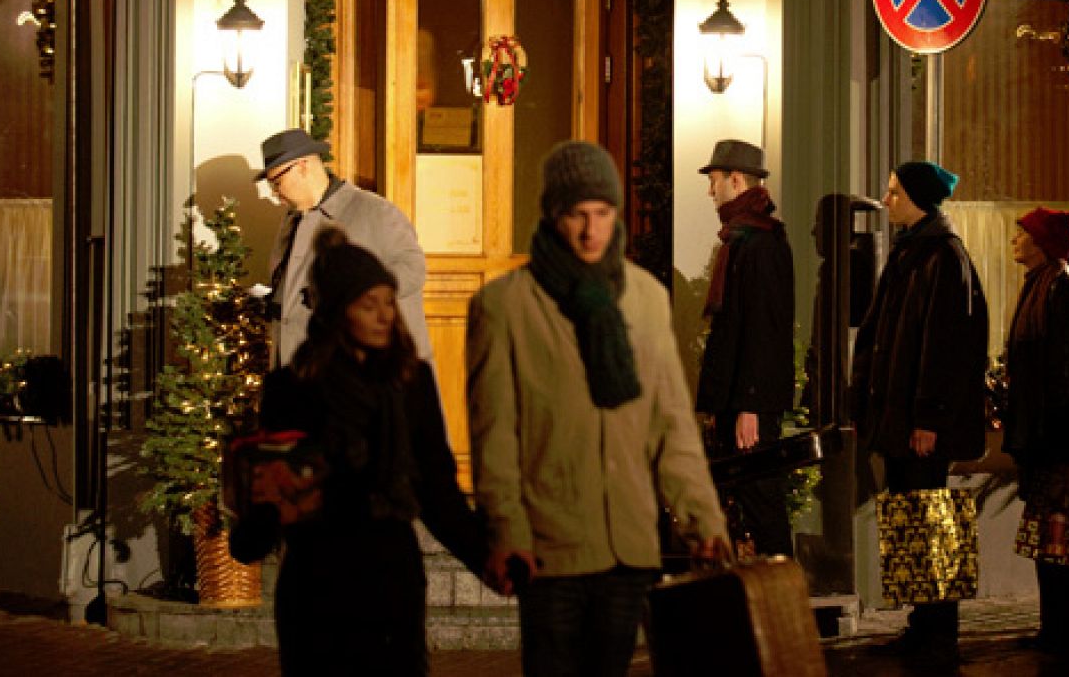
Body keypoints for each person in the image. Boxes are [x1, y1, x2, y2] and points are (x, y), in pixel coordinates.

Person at [467, 141, 728, 677]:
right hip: (550, 546)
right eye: (577, 215)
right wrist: (508, 531)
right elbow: (496, 435)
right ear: (553, 215)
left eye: (603, 214)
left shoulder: (647, 299)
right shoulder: (505, 306)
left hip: (628, 543)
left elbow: (671, 423)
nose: (592, 231)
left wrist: (704, 519)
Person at [229, 227, 486, 676]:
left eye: (389, 302)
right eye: (369, 305)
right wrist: (255, 528)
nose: (385, 315)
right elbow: (276, 482)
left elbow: (436, 487)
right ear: (336, 312)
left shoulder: (411, 383)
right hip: (318, 577)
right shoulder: (294, 388)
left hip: (389, 575)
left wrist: (485, 556)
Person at [849, 160, 989, 666]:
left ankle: (939, 630)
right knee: (910, 517)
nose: (886, 201)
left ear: (917, 199)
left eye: (893, 193)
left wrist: (928, 418)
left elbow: (944, 345)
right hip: (900, 418)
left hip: (920, 422)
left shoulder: (942, 257)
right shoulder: (912, 253)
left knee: (931, 519)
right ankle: (921, 623)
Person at [1004, 206, 1069, 658]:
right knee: (1051, 537)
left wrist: (1052, 434)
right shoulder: (1039, 288)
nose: (1015, 241)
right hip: (1045, 435)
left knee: (1063, 537)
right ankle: (1056, 626)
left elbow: (1068, 370)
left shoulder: (1061, 292)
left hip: (1062, 439)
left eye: (1023, 235)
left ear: (1043, 244)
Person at [696, 139, 796, 557]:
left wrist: (750, 405)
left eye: (715, 181)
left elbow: (765, 329)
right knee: (746, 504)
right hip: (735, 399)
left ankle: (783, 604)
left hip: (749, 402)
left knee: (762, 503)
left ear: (736, 181)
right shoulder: (740, 239)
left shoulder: (761, 243)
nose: (710, 191)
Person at [257, 128, 431, 364]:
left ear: (302, 166)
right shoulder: (292, 219)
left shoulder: (375, 211)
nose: (275, 193)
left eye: (277, 182)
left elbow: (413, 269)